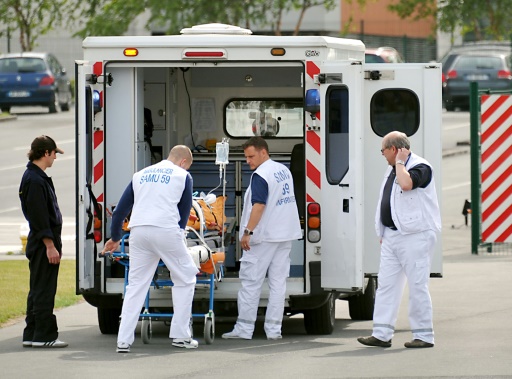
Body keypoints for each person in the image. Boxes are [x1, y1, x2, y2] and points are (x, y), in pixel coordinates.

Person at [101, 145, 199, 353]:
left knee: (136, 285)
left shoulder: (140, 175)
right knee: (186, 276)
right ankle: (181, 335)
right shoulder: (182, 176)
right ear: (183, 162)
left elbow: (120, 211)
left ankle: (123, 340)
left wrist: (116, 237)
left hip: (139, 232)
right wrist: (179, 235)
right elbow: (183, 211)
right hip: (165, 230)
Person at [357, 131, 441, 349]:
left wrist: (401, 164)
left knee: (417, 285)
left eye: (383, 151)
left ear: (394, 149)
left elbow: (406, 185)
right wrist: (383, 231)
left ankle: (424, 335)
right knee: (386, 285)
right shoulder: (392, 168)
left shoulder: (420, 166)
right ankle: (382, 333)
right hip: (393, 236)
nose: (382, 155)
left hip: (416, 235)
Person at [222, 136, 301, 340]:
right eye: (246, 157)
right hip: (283, 235)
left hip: (264, 237)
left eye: (251, 156)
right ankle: (274, 330)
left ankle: (244, 329)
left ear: (263, 152)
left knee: (250, 282)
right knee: (278, 284)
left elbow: (259, 206)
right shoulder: (282, 170)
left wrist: (247, 231)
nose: (248, 161)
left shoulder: (261, 175)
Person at [19, 135, 68, 348]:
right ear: (45, 152)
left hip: (41, 241)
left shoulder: (34, 176)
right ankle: (44, 335)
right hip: (43, 243)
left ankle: (32, 332)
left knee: (38, 287)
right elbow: (39, 217)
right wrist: (50, 246)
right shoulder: (35, 180)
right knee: (44, 289)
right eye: (54, 153)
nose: (55, 157)